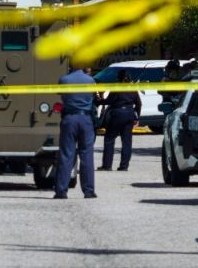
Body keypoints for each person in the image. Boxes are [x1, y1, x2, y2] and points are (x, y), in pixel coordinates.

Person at [54, 62, 97, 199]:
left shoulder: (64, 79)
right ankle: (88, 191)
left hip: (69, 119)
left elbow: (60, 95)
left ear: (70, 66)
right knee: (87, 155)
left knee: (66, 155)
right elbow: (93, 97)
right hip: (85, 120)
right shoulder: (90, 80)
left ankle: (61, 191)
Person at [96, 70, 141, 171]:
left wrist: (99, 101)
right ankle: (124, 166)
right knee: (127, 142)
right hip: (129, 114)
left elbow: (109, 101)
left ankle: (107, 165)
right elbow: (139, 104)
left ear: (119, 78)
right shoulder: (133, 88)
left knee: (109, 139)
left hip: (117, 114)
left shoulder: (116, 87)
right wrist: (137, 117)